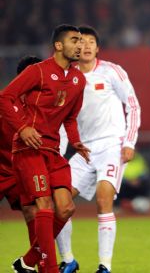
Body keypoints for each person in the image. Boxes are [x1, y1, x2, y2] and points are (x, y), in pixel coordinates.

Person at [0, 24, 90, 273]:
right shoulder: (37, 72)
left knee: (66, 207)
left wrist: (75, 140)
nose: (80, 45)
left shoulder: (78, 79)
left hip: (53, 151)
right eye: (75, 40)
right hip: (28, 150)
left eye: (82, 40)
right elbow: (5, 97)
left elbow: (70, 118)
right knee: (44, 206)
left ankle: (28, 261)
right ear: (59, 46)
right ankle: (48, 268)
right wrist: (22, 128)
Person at [56, 25, 141, 273]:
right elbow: (62, 120)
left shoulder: (112, 71)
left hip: (111, 147)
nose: (86, 46)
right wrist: (58, 154)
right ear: (74, 47)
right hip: (83, 151)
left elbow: (133, 106)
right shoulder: (67, 78)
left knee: (104, 201)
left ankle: (104, 267)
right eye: (81, 42)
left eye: (91, 42)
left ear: (97, 48)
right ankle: (69, 259)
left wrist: (128, 142)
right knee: (58, 202)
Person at [0, 56, 41, 258]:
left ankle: (38, 263)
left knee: (34, 212)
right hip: (2, 168)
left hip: (24, 170)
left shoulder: (43, 105)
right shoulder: (6, 102)